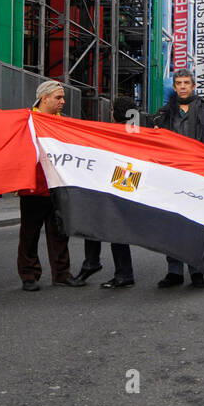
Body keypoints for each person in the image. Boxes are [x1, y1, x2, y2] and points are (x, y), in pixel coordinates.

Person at [150, 68, 204, 288]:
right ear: (175, 86)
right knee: (172, 225)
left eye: (187, 82)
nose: (183, 86)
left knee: (198, 225)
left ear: (194, 86)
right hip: (172, 176)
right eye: (179, 83)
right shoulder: (163, 114)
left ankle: (197, 270)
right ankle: (174, 271)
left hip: (200, 177)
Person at [69, 96, 138, 289]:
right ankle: (112, 269)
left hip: (116, 183)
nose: (110, 113)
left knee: (104, 226)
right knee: (110, 227)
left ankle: (104, 267)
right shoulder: (136, 130)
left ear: (117, 112)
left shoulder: (116, 131)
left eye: (112, 109)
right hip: (124, 183)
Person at [18, 81, 74, 291]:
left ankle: (61, 274)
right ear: (44, 98)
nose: (63, 101)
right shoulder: (25, 119)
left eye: (63, 97)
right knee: (29, 234)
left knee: (60, 232)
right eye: (58, 97)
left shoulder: (65, 122)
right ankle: (29, 275)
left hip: (58, 186)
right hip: (33, 186)